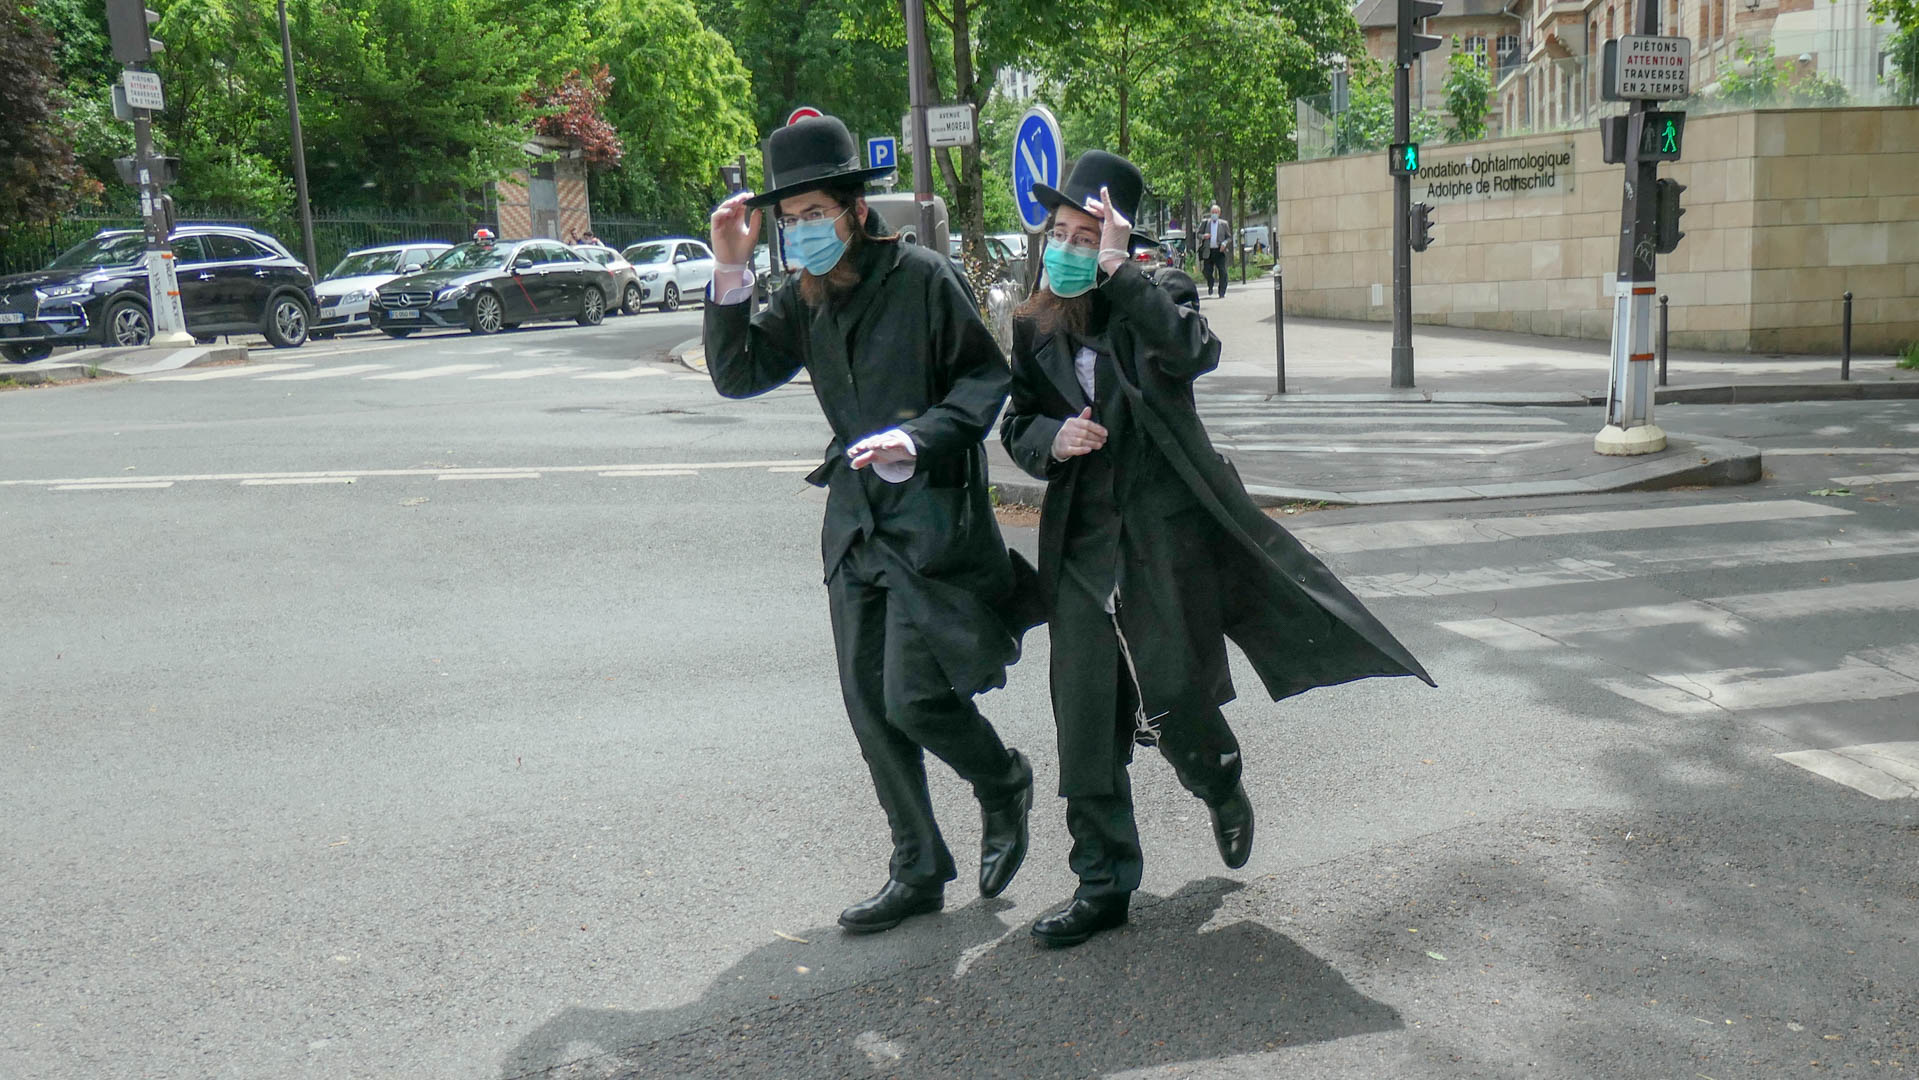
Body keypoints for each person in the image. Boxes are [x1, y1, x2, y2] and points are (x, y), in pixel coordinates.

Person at [1001, 151, 1435, 948]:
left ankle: (1219, 780)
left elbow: (1190, 352)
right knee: (1085, 715)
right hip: (1079, 542)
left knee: (1174, 697)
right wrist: (1049, 440)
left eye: (1084, 234)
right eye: (1056, 233)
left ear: (1117, 238)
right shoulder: (1033, 324)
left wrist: (1118, 272)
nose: (1063, 248)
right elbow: (1017, 422)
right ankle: (1101, 881)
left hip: (1162, 533)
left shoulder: (1158, 291)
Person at [703, 115, 1039, 934]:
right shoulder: (805, 297)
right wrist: (729, 269)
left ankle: (1001, 781)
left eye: (814, 213)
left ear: (855, 209)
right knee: (867, 705)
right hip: (855, 524)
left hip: (932, 521)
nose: (801, 232)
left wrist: (915, 437)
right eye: (789, 220)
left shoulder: (923, 276)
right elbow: (738, 374)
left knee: (913, 697)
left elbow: (983, 380)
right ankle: (916, 864)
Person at [1198, 203, 1230, 299]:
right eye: (1212, 212)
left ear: (1219, 213)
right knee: (1206, 271)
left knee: (1223, 272)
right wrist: (1203, 236)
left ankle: (1221, 292)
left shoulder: (1224, 224)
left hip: (1219, 251)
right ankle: (1210, 282)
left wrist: (1224, 243)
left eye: (1216, 212)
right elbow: (1198, 234)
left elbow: (1229, 237)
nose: (1214, 214)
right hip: (1208, 251)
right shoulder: (1205, 223)